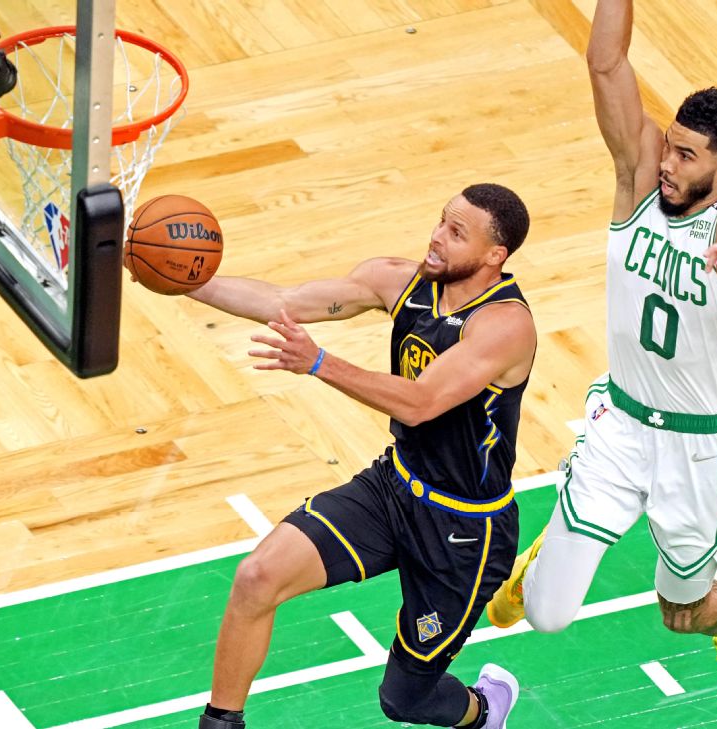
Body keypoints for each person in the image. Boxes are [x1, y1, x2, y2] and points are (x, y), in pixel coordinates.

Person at [485, 0, 717, 688]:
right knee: (545, 614)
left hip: (696, 447)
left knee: (684, 612)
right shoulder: (639, 178)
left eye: (687, 155)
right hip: (622, 423)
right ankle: (561, 542)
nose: (667, 161)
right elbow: (605, 61)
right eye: (670, 142)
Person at [179, 183, 537, 729]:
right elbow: (283, 302)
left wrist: (318, 361)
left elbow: (420, 403)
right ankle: (221, 723)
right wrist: (182, 279)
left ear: (495, 255)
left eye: (457, 232)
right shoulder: (398, 279)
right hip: (393, 489)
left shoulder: (505, 326)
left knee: (405, 701)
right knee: (257, 577)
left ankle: (485, 711)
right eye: (441, 221)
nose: (437, 237)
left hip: (466, 531)